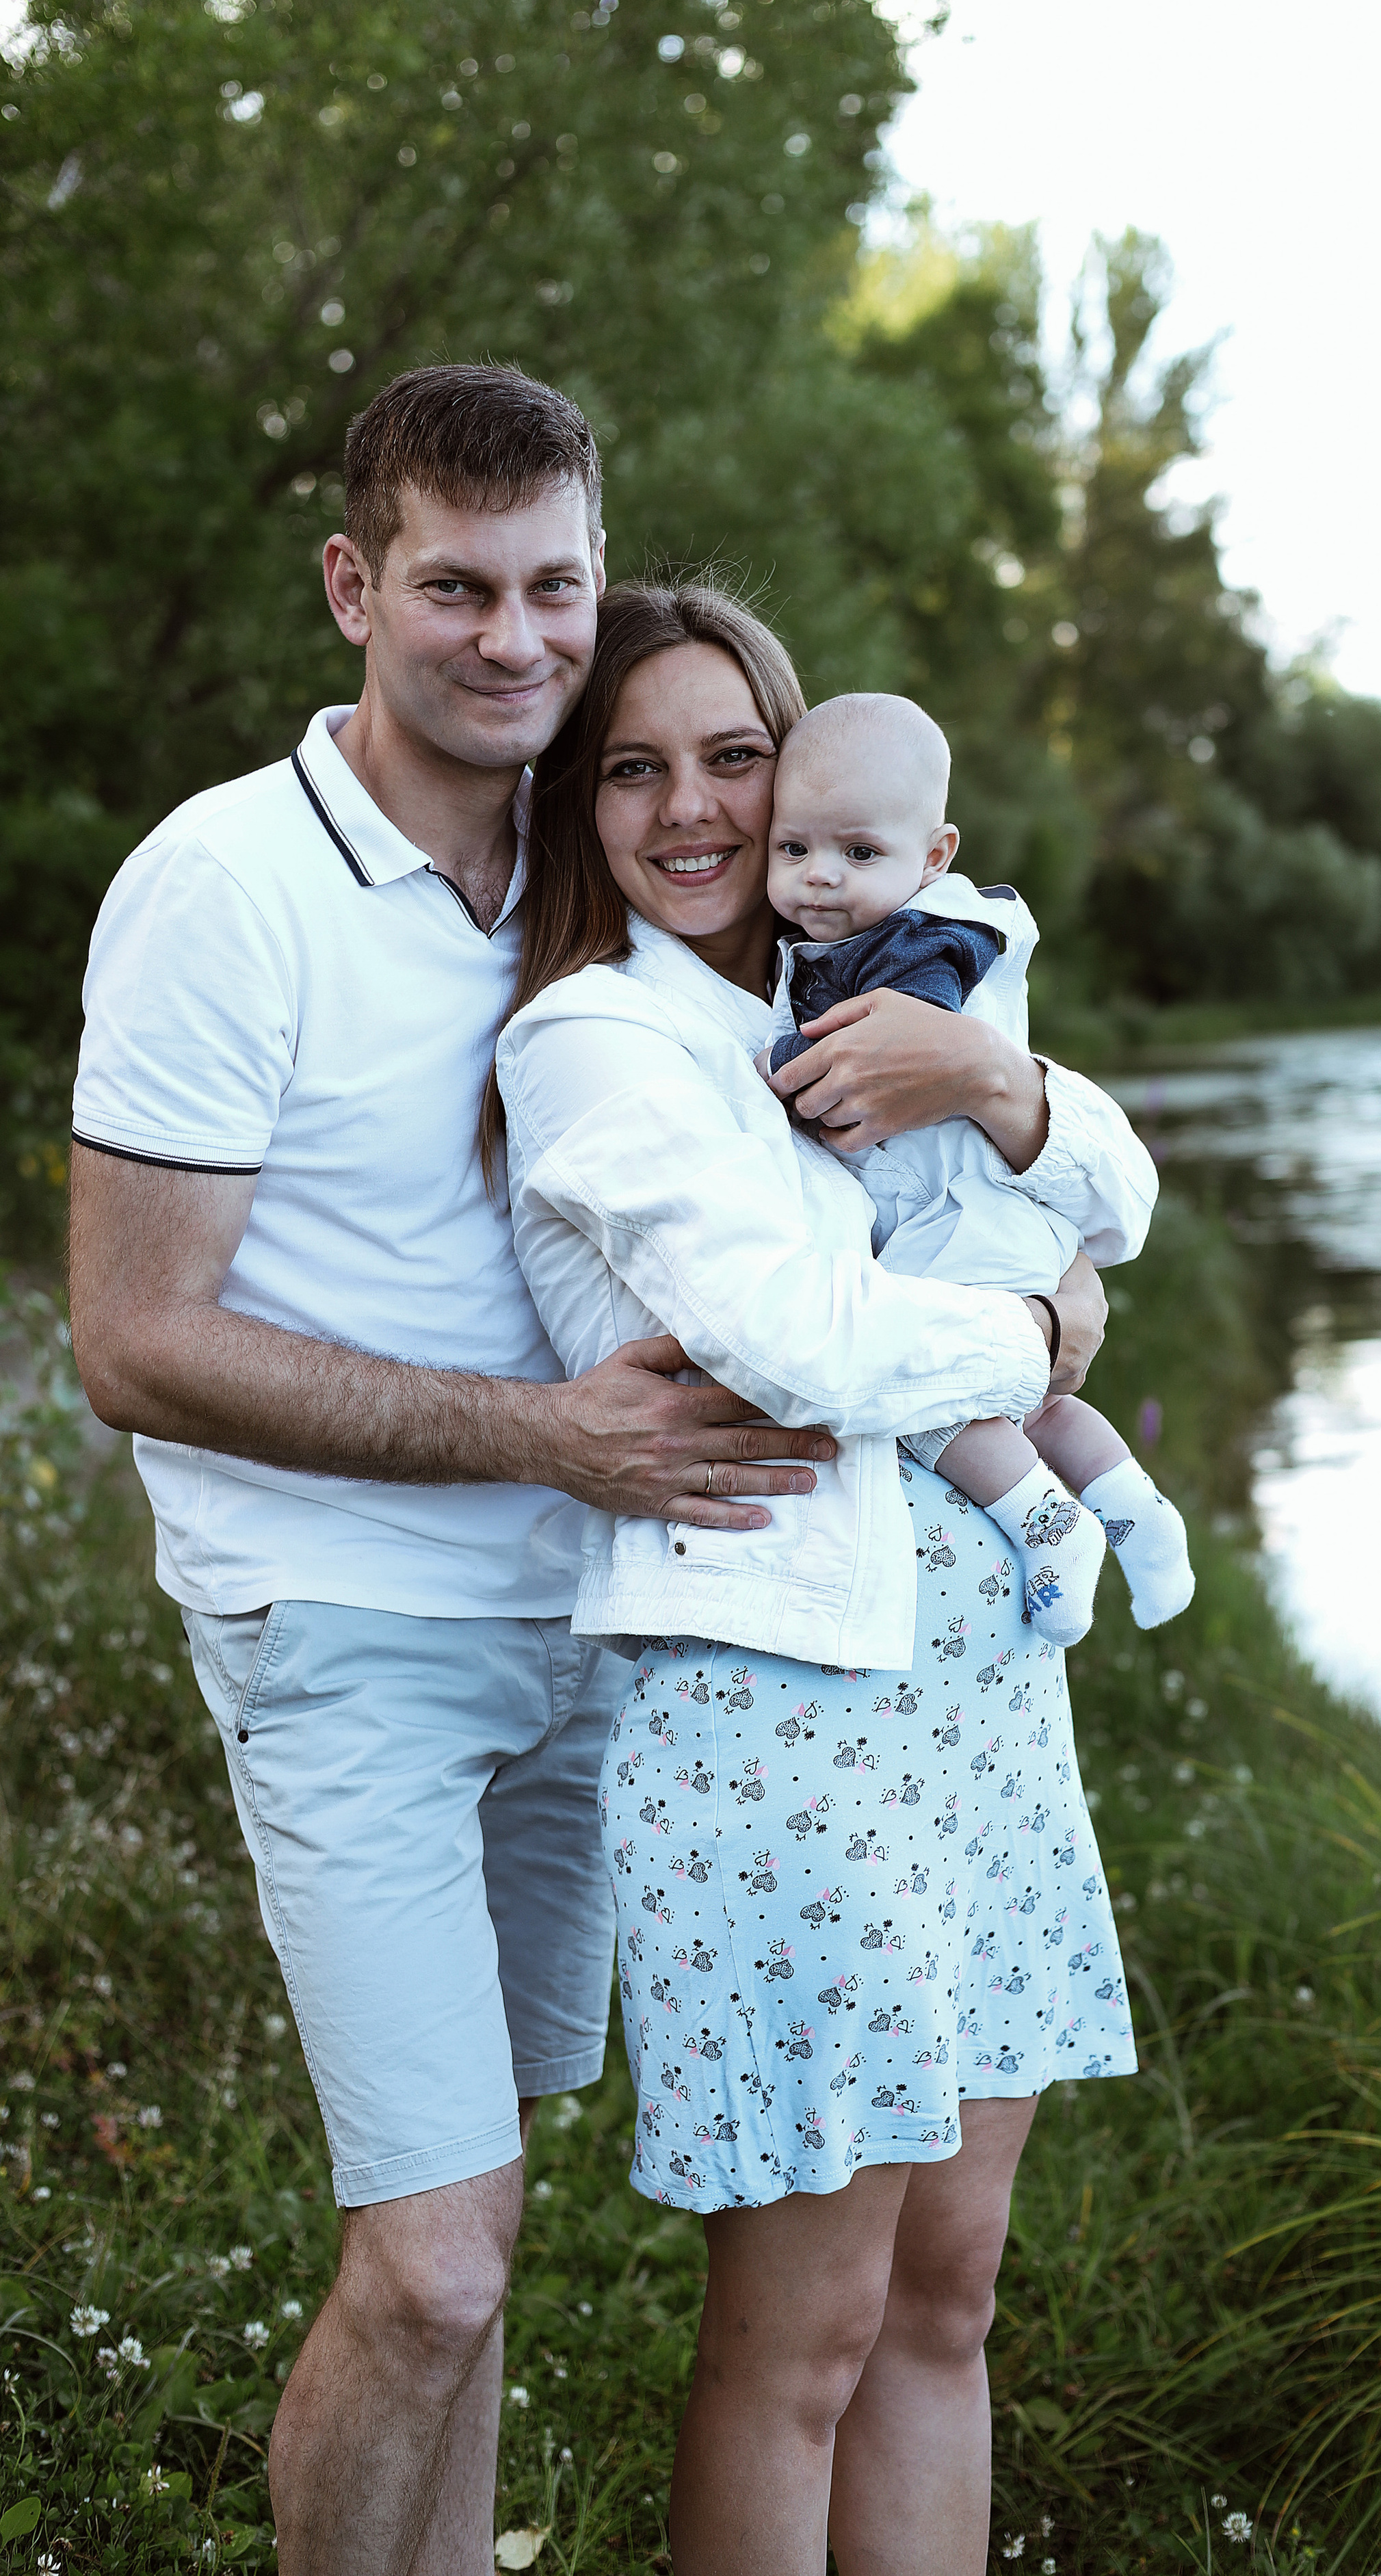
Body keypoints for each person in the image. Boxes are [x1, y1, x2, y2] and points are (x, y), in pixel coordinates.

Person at [63, 366, 1097, 2576]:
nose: (516, 639)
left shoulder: (589, 864)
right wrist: (576, 1430)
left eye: (557, 588)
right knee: (433, 2259)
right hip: (350, 1617)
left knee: (493, 2232)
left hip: (599, 1625)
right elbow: (130, 1340)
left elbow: (952, 1132)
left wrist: (1015, 1131)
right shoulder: (228, 888)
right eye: (457, 588)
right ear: (356, 586)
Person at [491, 577, 1153, 2576]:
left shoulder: (875, 992)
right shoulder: (601, 1041)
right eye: (632, 768)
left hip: (975, 1711)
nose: (690, 810)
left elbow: (1116, 1195)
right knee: (809, 2336)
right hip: (783, 1728)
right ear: (577, 806)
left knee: (947, 2303)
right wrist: (1038, 1341)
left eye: (731, 759)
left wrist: (1002, 1092)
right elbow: (811, 1350)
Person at [763, 690, 1196, 1648]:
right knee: (1043, 1405)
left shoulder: (923, 942)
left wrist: (767, 1069)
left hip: (967, 1218)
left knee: (921, 1391)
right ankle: (1137, 1515)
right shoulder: (861, 929)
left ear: (935, 857)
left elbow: (866, 1054)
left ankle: (1053, 1532)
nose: (819, 879)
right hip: (987, 1212)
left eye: (857, 853)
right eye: (792, 850)